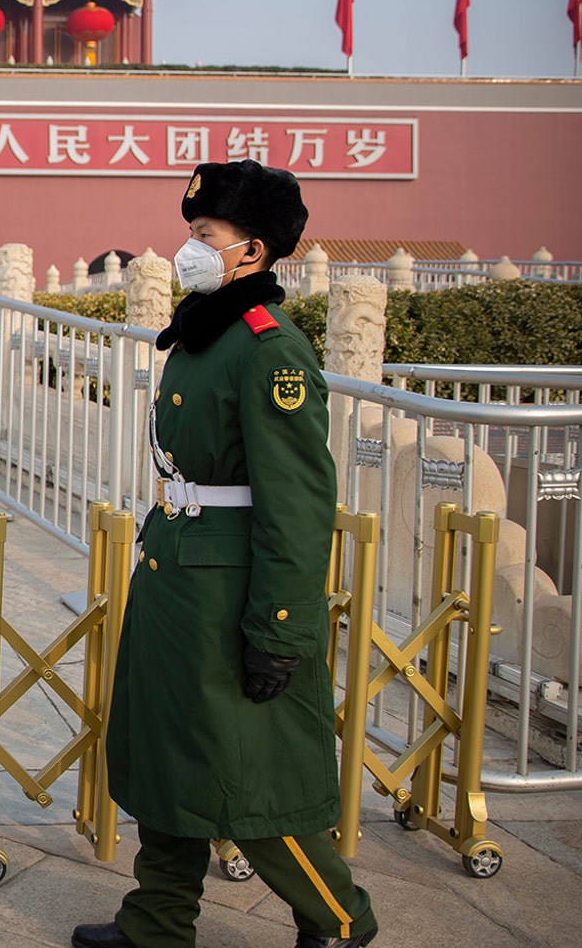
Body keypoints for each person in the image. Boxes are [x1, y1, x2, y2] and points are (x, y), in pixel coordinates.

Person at [74, 160, 377, 948]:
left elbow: (298, 502)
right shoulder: (207, 330)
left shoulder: (268, 350)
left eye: (205, 235)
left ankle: (339, 920)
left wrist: (279, 628)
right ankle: (158, 922)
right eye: (191, 233)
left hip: (230, 589)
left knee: (249, 776)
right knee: (173, 758)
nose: (189, 248)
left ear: (253, 251)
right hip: (179, 569)